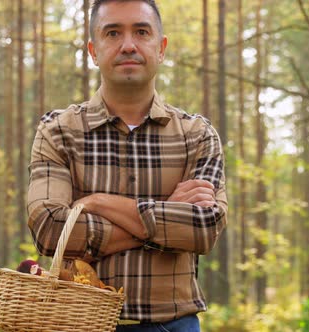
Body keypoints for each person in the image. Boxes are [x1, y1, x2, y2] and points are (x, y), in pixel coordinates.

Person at [27, 0, 227, 331]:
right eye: (113, 33)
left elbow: (204, 229)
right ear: (94, 50)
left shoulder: (197, 134)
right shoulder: (59, 131)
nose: (129, 45)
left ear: (161, 48)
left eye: (141, 31)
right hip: (76, 321)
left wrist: (98, 203)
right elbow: (50, 230)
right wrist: (166, 214)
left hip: (173, 324)